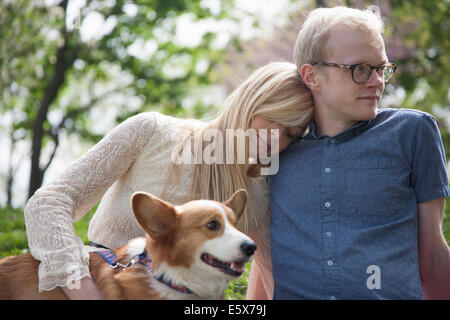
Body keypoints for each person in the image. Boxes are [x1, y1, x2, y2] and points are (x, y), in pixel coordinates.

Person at [24, 62, 314, 299]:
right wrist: (86, 293)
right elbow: (48, 202)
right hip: (98, 285)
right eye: (274, 117)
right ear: (251, 98)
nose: (277, 137)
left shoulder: (261, 189)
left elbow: (272, 276)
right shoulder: (151, 132)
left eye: (291, 134)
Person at [248, 6, 450, 300]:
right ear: (312, 76)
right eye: (360, 69)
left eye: (381, 69)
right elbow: (267, 256)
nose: (377, 81)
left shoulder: (412, 132)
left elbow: (432, 253)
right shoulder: (279, 148)